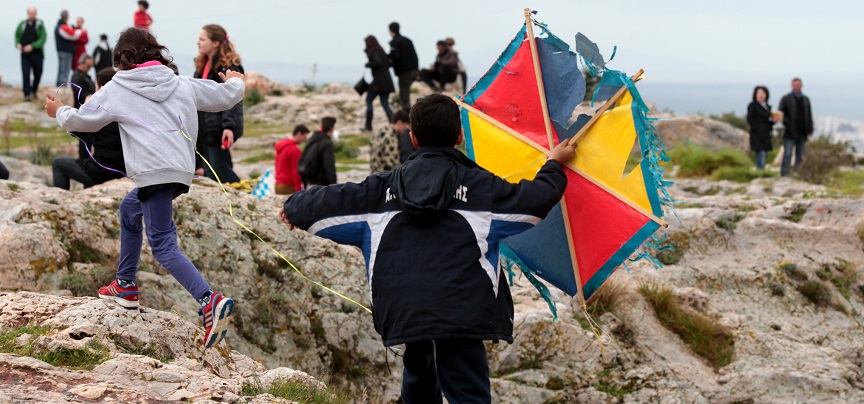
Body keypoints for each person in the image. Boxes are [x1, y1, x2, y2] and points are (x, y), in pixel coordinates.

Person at [280, 94, 575, 402]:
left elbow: (323, 201)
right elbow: (535, 199)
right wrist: (553, 164)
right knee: (467, 390)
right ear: (460, 136)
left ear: (413, 138)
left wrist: (293, 207)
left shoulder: (377, 190)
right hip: (463, 309)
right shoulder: (482, 189)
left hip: (405, 308)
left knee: (418, 372)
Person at [44, 27, 244, 349]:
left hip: (153, 172)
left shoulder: (118, 87)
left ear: (122, 57)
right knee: (129, 208)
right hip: (179, 171)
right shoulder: (179, 82)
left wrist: (59, 112)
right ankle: (125, 284)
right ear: (155, 52)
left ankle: (209, 300)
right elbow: (225, 97)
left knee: (164, 245)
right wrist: (235, 80)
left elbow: (81, 121)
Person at [52, 67, 126, 190]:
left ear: (101, 88)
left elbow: (74, 130)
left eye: (96, 88)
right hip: (124, 169)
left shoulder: (98, 109)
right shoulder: (125, 106)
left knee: (58, 163)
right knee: (86, 166)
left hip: (104, 170)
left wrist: (87, 107)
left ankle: (61, 201)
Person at [194, 24, 244, 183]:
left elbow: (233, 99)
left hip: (218, 129)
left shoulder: (229, 67)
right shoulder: (202, 66)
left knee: (219, 170)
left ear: (215, 43)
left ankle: (246, 196)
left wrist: (229, 127)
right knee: (211, 170)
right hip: (205, 129)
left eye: (202, 39)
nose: (198, 42)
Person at [778, 78, 814, 176]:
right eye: (794, 85)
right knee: (787, 154)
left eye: (798, 85)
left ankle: (797, 174)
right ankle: (784, 174)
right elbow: (781, 114)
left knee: (800, 155)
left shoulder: (806, 99)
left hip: (802, 132)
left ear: (801, 85)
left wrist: (810, 129)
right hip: (789, 132)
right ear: (791, 85)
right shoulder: (785, 99)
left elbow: (809, 115)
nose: (796, 87)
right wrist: (788, 123)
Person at [363, 35, 394, 132]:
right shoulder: (381, 51)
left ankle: (368, 126)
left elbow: (377, 62)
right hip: (387, 81)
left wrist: (368, 64)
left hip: (379, 82)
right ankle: (393, 123)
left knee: (368, 100)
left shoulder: (374, 52)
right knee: (384, 103)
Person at [15, 7, 46, 102]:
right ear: (27, 14)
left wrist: (32, 46)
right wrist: (18, 44)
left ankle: (34, 90)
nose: (32, 15)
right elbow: (17, 36)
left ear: (36, 14)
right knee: (26, 74)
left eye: (33, 13)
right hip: (25, 54)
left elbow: (43, 38)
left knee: (38, 73)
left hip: (37, 53)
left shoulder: (40, 25)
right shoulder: (22, 25)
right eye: (30, 13)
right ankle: (27, 94)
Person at [297, 117, 337, 187]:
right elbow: (329, 165)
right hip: (322, 183)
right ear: (332, 128)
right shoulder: (327, 143)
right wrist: (334, 185)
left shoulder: (313, 139)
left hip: (309, 181)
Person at [388, 22, 419, 111]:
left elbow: (395, 56)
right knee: (407, 90)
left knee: (404, 92)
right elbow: (415, 55)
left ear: (390, 30)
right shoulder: (408, 40)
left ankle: (406, 111)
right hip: (413, 70)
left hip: (404, 71)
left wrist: (388, 60)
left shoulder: (395, 42)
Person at [70, 54, 96, 159]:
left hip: (89, 112)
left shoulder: (87, 76)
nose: (89, 69)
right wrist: (91, 97)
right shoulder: (76, 76)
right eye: (88, 66)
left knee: (90, 141)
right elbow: (79, 93)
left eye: (91, 67)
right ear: (81, 63)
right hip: (82, 112)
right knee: (85, 142)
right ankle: (83, 164)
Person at [274, 124, 309, 195]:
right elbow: (296, 171)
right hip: (289, 185)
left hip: (278, 184)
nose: (304, 140)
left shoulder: (281, 146)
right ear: (299, 134)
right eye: (304, 136)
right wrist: (299, 191)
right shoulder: (294, 150)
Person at [370, 110, 409, 174]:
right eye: (406, 125)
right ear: (399, 122)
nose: (407, 128)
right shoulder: (391, 137)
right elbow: (391, 162)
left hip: (374, 172)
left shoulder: (381, 131)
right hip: (383, 176)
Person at [746, 86, 775, 170]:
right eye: (759, 93)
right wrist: (756, 128)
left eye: (763, 93)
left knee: (764, 152)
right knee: (760, 151)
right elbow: (750, 119)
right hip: (757, 133)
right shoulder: (752, 105)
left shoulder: (767, 106)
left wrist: (773, 121)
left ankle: (761, 169)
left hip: (766, 133)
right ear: (755, 94)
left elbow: (768, 121)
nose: (761, 95)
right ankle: (760, 170)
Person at [54, 10, 82, 86]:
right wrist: (81, 31)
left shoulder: (58, 26)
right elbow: (73, 35)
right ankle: (63, 85)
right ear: (67, 17)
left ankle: (59, 84)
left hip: (61, 50)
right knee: (65, 69)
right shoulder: (62, 27)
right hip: (65, 51)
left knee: (61, 69)